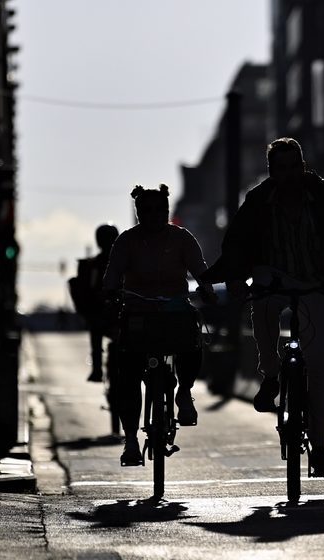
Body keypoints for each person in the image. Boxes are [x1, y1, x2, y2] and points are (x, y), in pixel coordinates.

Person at [201, 137, 324, 478]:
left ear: (302, 167)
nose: (289, 175)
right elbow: (237, 243)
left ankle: (319, 447)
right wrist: (232, 278)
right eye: (281, 169)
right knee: (260, 308)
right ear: (271, 171)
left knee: (320, 364)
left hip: (317, 280)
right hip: (272, 280)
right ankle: (271, 375)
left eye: (295, 167)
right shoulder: (258, 200)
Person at [103, 184, 217, 466]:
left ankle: (185, 392)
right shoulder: (126, 242)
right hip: (137, 313)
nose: (154, 215)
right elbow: (113, 275)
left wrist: (207, 288)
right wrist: (109, 293)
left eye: (160, 210)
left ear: (167, 212)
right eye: (147, 210)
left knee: (192, 339)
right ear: (138, 212)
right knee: (127, 375)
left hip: (174, 310)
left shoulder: (182, 238)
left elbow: (200, 268)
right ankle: (131, 441)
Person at [68, 224, 119, 382]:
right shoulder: (95, 265)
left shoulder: (94, 264)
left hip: (116, 311)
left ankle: (97, 369)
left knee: (96, 331)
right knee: (96, 329)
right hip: (105, 311)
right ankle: (97, 368)